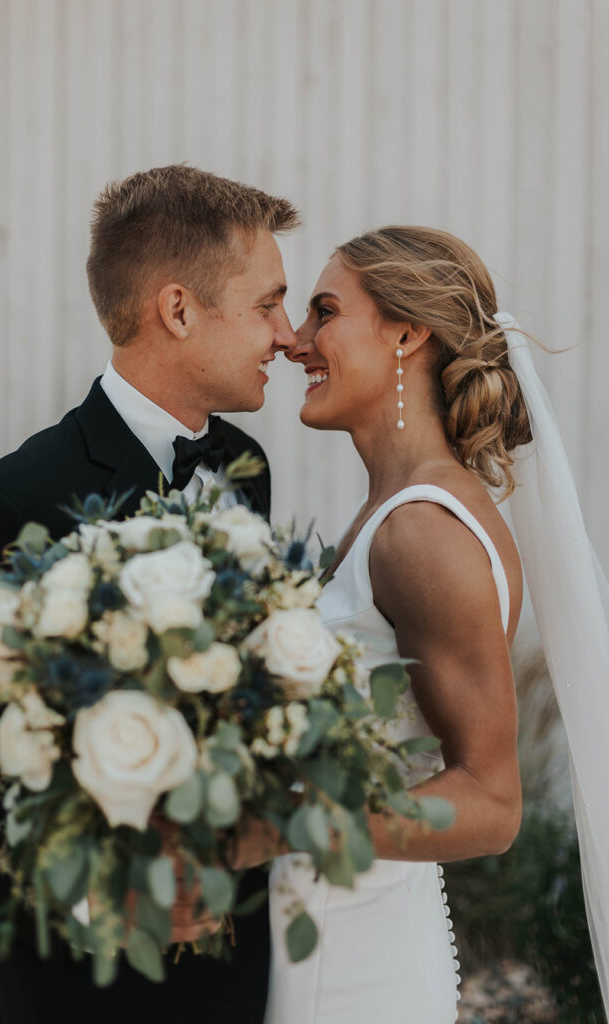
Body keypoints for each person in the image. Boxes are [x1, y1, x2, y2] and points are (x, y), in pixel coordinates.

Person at [0, 165, 299, 1024]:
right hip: (72, 983)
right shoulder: (11, 503)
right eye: (266, 304)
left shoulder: (247, 470)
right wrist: (93, 890)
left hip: (235, 966)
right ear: (178, 310)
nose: (284, 333)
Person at [268, 225, 532, 1023]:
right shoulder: (388, 514)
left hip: (350, 968)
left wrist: (279, 825)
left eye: (322, 313)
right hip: (328, 935)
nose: (293, 341)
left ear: (407, 333)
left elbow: (491, 804)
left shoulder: (421, 532)